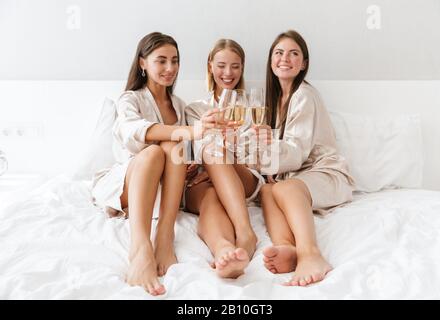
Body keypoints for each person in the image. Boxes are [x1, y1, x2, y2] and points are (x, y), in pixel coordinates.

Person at [91, 32, 218, 295]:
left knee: (172, 148)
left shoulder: (180, 106)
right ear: (142, 63)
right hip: (130, 182)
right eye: (161, 61)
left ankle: (164, 235)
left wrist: (192, 161)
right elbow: (133, 131)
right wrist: (189, 132)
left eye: (175, 61)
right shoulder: (130, 99)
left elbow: (185, 150)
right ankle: (140, 248)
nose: (170, 68)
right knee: (154, 153)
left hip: (165, 191)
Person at [255, 30, 355, 286]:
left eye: (293, 53)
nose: (284, 58)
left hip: (327, 175)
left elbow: (296, 154)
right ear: (270, 60)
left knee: (285, 188)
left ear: (304, 64)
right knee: (267, 191)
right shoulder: (275, 101)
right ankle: (287, 247)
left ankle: (310, 253)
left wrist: (262, 151)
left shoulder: (304, 95)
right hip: (299, 180)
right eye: (278, 53)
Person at [184, 39, 265, 279]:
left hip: (242, 177)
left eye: (235, 66)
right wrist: (212, 164)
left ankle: (245, 232)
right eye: (221, 65)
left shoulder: (252, 107)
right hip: (203, 182)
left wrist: (223, 156)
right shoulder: (195, 109)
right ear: (210, 66)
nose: (228, 73)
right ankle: (224, 250)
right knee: (210, 193)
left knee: (214, 152)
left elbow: (257, 152)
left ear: (242, 68)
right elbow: (191, 153)